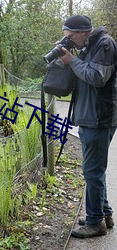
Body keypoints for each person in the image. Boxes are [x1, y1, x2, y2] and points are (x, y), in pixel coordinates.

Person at [59, 15, 117, 238]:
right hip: (89, 117)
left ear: (83, 32)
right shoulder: (88, 46)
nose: (70, 41)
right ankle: (104, 214)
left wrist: (72, 61)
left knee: (92, 171)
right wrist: (69, 60)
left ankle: (95, 223)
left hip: (99, 118)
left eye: (71, 37)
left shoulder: (105, 44)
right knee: (94, 171)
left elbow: (96, 77)